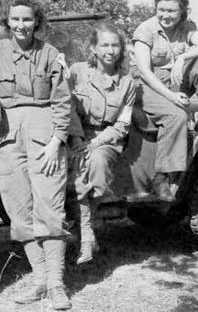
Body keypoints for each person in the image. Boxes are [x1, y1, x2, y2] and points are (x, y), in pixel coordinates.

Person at [0, 0, 72, 310]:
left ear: (37, 22)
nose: (21, 25)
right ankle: (40, 279)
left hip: (44, 132)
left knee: (50, 207)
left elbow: (62, 101)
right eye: (15, 20)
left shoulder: (50, 54)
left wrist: (57, 140)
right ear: (8, 22)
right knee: (19, 210)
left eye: (27, 19)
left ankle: (57, 284)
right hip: (6, 134)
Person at [133, 0, 198, 201]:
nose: (165, 15)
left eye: (172, 11)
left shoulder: (187, 27)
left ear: (182, 11)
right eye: (161, 9)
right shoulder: (145, 29)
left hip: (178, 82)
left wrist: (182, 58)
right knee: (176, 116)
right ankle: (162, 178)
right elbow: (144, 72)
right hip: (149, 87)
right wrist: (172, 97)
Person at [68, 22, 136, 264]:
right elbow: (65, 106)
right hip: (74, 133)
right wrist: (77, 137)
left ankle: (86, 230)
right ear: (94, 48)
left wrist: (96, 142)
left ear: (121, 48)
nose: (110, 50)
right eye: (104, 45)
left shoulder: (128, 82)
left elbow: (123, 124)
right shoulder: (77, 72)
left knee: (95, 164)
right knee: (75, 171)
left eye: (115, 45)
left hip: (107, 139)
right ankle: (87, 235)